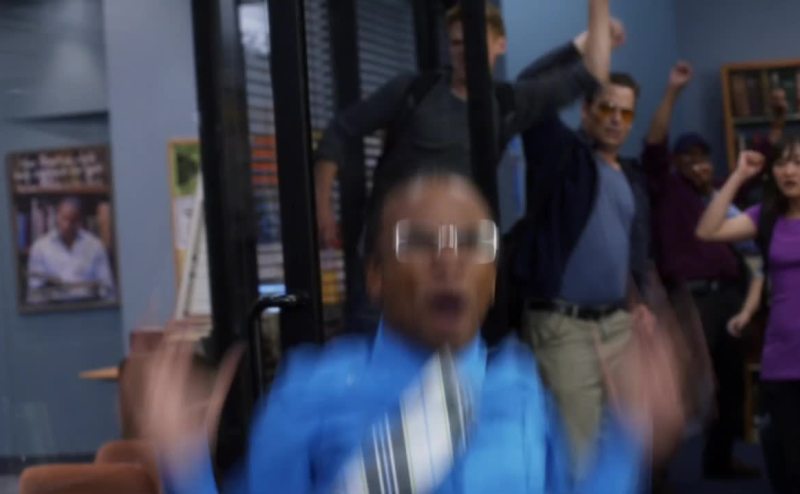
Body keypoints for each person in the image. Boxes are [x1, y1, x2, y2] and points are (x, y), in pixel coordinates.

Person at [139, 170, 678, 493]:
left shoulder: (517, 386)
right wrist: (185, 464)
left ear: (492, 279)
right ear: (375, 276)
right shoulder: (312, 389)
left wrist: (629, 441)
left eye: (472, 243)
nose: (449, 261)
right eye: (418, 242)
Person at [314, 0, 617, 333]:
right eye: (457, 43)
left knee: (448, 363)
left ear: (500, 45)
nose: (464, 51)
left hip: (454, 275)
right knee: (370, 357)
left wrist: (598, 9)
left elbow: (592, 75)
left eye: (474, 42)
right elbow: (340, 131)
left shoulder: (507, 104)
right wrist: (322, 209)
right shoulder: (415, 92)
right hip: (390, 267)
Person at [513, 55, 652, 461]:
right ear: (586, 109)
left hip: (618, 325)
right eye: (607, 108)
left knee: (627, 450)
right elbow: (529, 85)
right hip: (565, 327)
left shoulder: (629, 176)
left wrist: (638, 303)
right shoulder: (563, 157)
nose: (616, 120)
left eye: (626, 113)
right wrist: (583, 49)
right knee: (578, 453)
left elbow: (624, 251)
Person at [642, 62, 769, 479]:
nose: (698, 166)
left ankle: (719, 461)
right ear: (676, 164)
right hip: (690, 300)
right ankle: (661, 473)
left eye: (703, 159)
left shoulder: (717, 192)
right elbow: (655, 143)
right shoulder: (666, 188)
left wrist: (777, 122)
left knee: (732, 382)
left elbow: (760, 164)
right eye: (689, 160)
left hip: (728, 294)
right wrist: (673, 91)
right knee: (683, 387)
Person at [697, 143, 800, 494]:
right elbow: (707, 231)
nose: (789, 171)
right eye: (782, 164)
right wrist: (738, 176)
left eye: (798, 163)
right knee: (786, 468)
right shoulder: (766, 216)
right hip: (781, 357)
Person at [26, 197, 116, 304]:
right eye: (64, 219)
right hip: (53, 308)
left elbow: (107, 289)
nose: (67, 225)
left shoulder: (95, 246)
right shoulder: (40, 247)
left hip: (89, 306)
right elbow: (34, 292)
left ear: (80, 221)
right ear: (57, 217)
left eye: (73, 220)